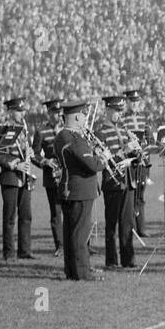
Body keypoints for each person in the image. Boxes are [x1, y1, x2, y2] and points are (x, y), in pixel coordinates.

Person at [54, 99, 106, 280]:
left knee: (71, 233)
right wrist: (104, 158)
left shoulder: (62, 136)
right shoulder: (74, 138)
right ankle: (82, 272)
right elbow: (91, 165)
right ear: (76, 116)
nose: (85, 119)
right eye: (84, 115)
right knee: (80, 234)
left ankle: (72, 270)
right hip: (80, 190)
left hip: (70, 189)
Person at [95, 95, 139, 269]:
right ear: (107, 110)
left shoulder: (124, 129)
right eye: (116, 110)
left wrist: (136, 150)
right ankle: (112, 261)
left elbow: (132, 156)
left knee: (127, 223)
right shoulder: (100, 132)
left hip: (127, 181)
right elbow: (102, 161)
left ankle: (128, 260)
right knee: (112, 223)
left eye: (121, 110)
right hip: (112, 182)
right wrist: (124, 151)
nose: (119, 114)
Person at [0, 95, 37, 262]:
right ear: (10, 111)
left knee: (26, 216)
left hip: (25, 178)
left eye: (22, 110)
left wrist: (30, 153)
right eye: (18, 111)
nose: (21, 114)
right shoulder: (2, 129)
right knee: (10, 217)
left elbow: (27, 148)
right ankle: (9, 252)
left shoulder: (24, 129)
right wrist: (14, 164)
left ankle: (24, 250)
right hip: (10, 177)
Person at [32, 97, 64, 253]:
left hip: (68, 176)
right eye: (54, 112)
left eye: (59, 112)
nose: (57, 115)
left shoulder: (67, 128)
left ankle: (77, 243)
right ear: (49, 113)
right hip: (52, 177)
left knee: (72, 211)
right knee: (56, 213)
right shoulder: (41, 130)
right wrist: (45, 161)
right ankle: (60, 245)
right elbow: (34, 154)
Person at [122, 87, 152, 238]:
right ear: (126, 102)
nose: (134, 104)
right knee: (130, 196)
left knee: (141, 195)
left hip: (142, 162)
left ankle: (141, 227)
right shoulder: (122, 119)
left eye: (136, 101)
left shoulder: (144, 118)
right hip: (129, 162)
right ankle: (130, 226)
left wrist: (146, 146)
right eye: (131, 101)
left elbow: (151, 140)